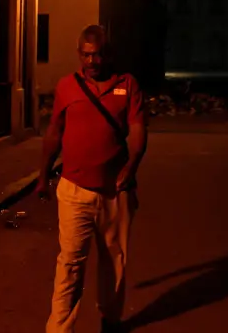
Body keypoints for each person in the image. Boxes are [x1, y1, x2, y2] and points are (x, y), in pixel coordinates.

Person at [37, 25, 148, 333]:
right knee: (70, 264)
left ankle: (110, 321)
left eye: (97, 54)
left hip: (116, 192)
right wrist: (42, 176)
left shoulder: (128, 85)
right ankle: (59, 329)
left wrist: (133, 164)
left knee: (113, 261)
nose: (92, 61)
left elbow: (138, 130)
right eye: (86, 55)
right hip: (74, 190)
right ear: (79, 55)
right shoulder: (67, 87)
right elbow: (54, 133)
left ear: (107, 54)